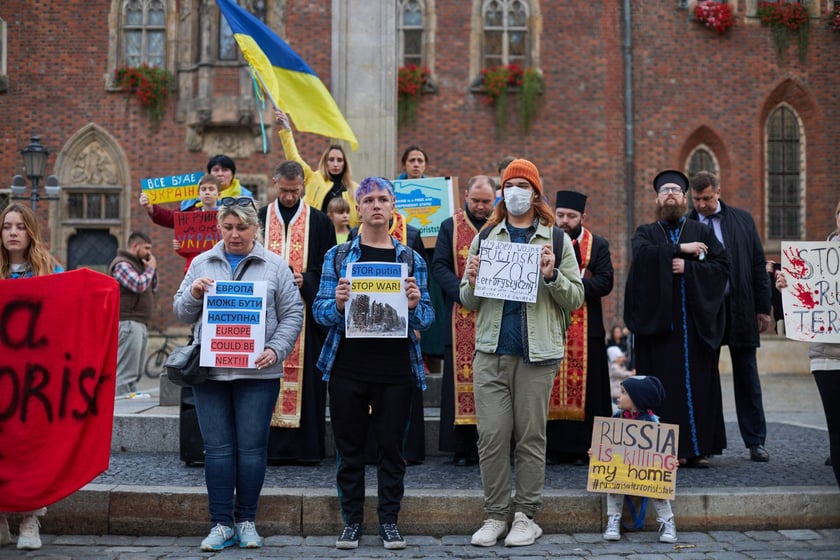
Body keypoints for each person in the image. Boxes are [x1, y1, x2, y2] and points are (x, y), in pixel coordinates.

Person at [460, 159, 584, 548]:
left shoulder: (556, 240)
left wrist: (552, 275)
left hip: (537, 355)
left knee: (530, 437)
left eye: (521, 185)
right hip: (492, 351)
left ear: (534, 192)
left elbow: (576, 297)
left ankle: (526, 515)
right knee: (492, 436)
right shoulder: (486, 238)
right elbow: (467, 299)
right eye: (508, 185)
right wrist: (475, 280)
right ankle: (496, 513)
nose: (514, 191)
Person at [173, 198, 303, 551]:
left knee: (251, 450)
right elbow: (181, 310)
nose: (234, 235)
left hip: (258, 375)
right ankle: (220, 524)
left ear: (255, 229)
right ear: (219, 227)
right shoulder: (202, 262)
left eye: (242, 228)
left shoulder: (275, 265)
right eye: (228, 227)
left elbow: (293, 313)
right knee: (216, 450)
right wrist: (195, 293)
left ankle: (246, 520)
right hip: (211, 374)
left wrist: (275, 349)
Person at [313, 177, 434, 551]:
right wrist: (336, 303)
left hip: (396, 370)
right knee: (349, 451)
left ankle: (389, 521)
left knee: (391, 452)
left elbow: (427, 317)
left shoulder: (411, 258)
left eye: (383, 199)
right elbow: (318, 312)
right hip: (348, 367)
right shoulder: (337, 256)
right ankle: (351, 522)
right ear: (358, 207)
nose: (377, 205)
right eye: (369, 200)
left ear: (393, 205)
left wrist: (415, 306)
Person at [623, 169, 730, 468]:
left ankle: (698, 448)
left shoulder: (703, 232)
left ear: (684, 198)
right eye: (664, 190)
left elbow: (722, 268)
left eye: (675, 190)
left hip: (695, 330)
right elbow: (642, 256)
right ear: (657, 198)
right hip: (660, 331)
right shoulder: (645, 232)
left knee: (698, 388)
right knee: (663, 389)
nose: (670, 194)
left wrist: (689, 267)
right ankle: (664, 450)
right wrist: (678, 250)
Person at [688, 171, 773, 463]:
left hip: (741, 307)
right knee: (704, 378)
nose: (701, 204)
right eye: (697, 199)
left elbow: (758, 263)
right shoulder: (686, 224)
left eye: (707, 198)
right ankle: (706, 444)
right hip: (705, 312)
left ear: (719, 192)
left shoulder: (742, 219)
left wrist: (764, 307)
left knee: (747, 376)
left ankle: (756, 441)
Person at [258, 161, 335, 464]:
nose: (290, 196)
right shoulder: (260, 219)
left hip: (307, 317)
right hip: (267, 319)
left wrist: (307, 279)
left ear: (303, 185)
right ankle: (268, 448)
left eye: (295, 190)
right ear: (274, 183)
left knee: (308, 385)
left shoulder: (320, 223)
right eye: (284, 190)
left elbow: (329, 269)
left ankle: (306, 450)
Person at [0, 203, 63, 551]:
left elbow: (68, 311)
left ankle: (29, 518)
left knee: (30, 447)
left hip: (35, 378)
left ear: (31, 232)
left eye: (20, 227)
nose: (12, 232)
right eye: (7, 226)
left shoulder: (50, 270)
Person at [774, 200, 840, 486]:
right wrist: (786, 289)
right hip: (828, 356)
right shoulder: (816, 259)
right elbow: (802, 307)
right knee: (837, 431)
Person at [431, 175, 496, 466]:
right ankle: (462, 447)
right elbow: (440, 266)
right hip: (461, 314)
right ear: (465, 195)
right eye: (476, 201)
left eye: (486, 202)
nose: (481, 207)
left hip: (495, 314)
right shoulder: (450, 226)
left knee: (495, 381)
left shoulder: (502, 227)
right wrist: (461, 291)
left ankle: (493, 446)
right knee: (459, 383)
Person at [546, 190, 614, 465]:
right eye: (560, 215)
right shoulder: (546, 242)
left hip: (588, 333)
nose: (564, 221)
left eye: (571, 216)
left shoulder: (598, 245)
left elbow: (605, 283)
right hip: (552, 327)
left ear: (582, 217)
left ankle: (584, 448)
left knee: (591, 393)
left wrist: (567, 284)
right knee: (549, 387)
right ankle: (552, 449)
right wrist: (580, 280)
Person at [593, 375, 678, 543]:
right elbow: (606, 445)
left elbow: (663, 450)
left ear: (637, 399)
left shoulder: (654, 423)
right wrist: (597, 453)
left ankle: (668, 521)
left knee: (658, 487)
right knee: (612, 482)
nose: (618, 395)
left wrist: (670, 461)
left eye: (623, 392)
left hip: (645, 473)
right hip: (624, 470)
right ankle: (613, 520)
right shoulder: (616, 419)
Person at [275, 109, 360, 227]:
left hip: (344, 239)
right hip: (315, 233)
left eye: (339, 160)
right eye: (331, 160)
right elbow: (294, 158)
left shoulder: (355, 189)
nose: (335, 164)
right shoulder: (313, 178)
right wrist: (286, 129)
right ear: (325, 162)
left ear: (345, 164)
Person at [140, 174, 222, 274]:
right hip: (196, 269)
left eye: (211, 189)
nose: (207, 192)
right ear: (198, 194)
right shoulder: (191, 215)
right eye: (204, 189)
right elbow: (188, 248)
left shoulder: (226, 216)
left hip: (220, 266)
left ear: (219, 194)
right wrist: (180, 246)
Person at [110, 231, 157, 397]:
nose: (149, 253)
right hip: (128, 322)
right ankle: (121, 409)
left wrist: (148, 270)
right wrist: (150, 269)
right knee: (125, 372)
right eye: (146, 248)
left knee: (135, 370)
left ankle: (130, 398)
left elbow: (152, 287)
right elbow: (138, 285)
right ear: (135, 246)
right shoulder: (122, 264)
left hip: (139, 322)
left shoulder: (138, 265)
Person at [179, 154, 253, 211]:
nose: (220, 174)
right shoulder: (193, 198)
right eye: (216, 170)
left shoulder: (245, 198)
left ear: (232, 174)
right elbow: (176, 218)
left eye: (225, 170)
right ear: (210, 174)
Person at [607, 346, 634, 412]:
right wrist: (632, 373)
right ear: (615, 359)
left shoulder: (620, 366)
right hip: (615, 392)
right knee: (617, 407)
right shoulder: (614, 367)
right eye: (620, 357)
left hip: (619, 392)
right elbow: (622, 374)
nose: (622, 359)